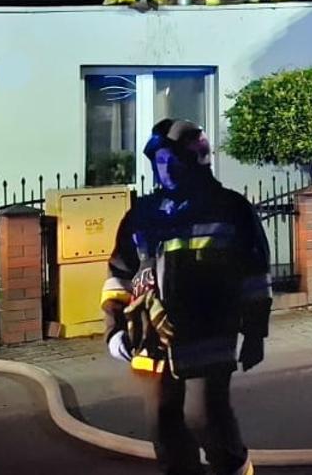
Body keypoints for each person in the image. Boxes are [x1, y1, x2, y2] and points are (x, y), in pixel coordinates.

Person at [101, 120, 270, 475]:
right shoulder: (141, 215)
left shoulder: (230, 209)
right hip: (151, 342)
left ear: (196, 160)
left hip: (209, 337)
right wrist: (115, 328)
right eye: (158, 160)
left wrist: (255, 333)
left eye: (172, 159)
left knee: (205, 419)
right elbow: (119, 273)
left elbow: (254, 277)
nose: (164, 168)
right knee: (165, 427)